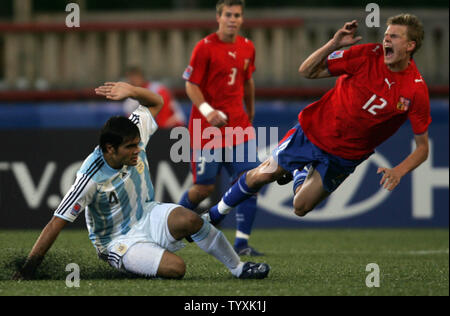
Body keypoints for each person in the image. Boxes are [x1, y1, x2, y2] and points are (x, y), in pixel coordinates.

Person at [12, 81, 270, 280]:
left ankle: (238, 268)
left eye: (138, 144)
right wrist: (27, 269)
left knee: (191, 219)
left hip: (148, 214)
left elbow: (156, 101)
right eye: (130, 147)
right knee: (177, 269)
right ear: (110, 149)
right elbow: (55, 224)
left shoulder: (134, 131)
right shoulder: (89, 178)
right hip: (118, 241)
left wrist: (132, 90)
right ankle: (131, 262)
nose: (138, 150)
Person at [205, 14, 431, 225]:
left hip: (345, 156)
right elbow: (307, 71)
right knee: (261, 176)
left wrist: (398, 171)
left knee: (300, 207)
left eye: (394, 36)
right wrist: (333, 45)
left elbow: (422, 148)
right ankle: (213, 215)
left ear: (410, 46)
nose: (386, 40)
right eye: (385, 35)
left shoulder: (415, 90)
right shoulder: (366, 55)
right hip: (312, 132)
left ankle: (298, 172)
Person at [179, 0, 263, 256]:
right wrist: (208, 111)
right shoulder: (204, 48)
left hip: (238, 124)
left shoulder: (247, 46)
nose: (233, 19)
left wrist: (250, 109)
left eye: (237, 15)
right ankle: (170, 230)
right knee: (203, 187)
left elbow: (247, 80)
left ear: (242, 18)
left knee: (251, 180)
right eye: (228, 14)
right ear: (218, 17)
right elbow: (191, 85)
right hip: (206, 127)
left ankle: (242, 244)